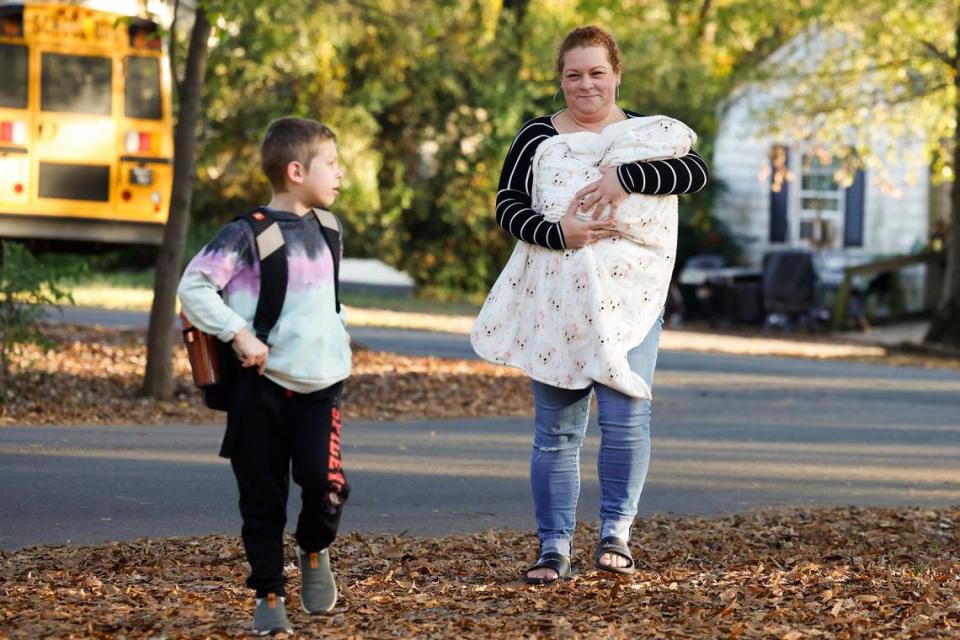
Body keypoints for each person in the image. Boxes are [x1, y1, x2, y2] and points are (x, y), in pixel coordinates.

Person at [475, 25, 708, 584]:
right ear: (561, 80)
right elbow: (508, 205)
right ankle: (553, 547)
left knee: (627, 416)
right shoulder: (535, 136)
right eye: (573, 74)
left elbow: (694, 173)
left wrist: (624, 177)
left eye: (596, 73)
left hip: (631, 296)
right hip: (556, 296)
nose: (585, 85)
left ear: (617, 74)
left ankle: (615, 536)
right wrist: (561, 233)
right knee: (556, 428)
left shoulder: (647, 133)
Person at [178, 117, 350, 635]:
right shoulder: (246, 232)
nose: (341, 174)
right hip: (262, 388)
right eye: (332, 164)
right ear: (297, 170)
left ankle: (314, 547)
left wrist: (339, 339)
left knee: (327, 488)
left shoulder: (330, 229)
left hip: (322, 388)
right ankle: (270, 594)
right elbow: (194, 286)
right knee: (262, 499)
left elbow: (326, 301)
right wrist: (238, 334)